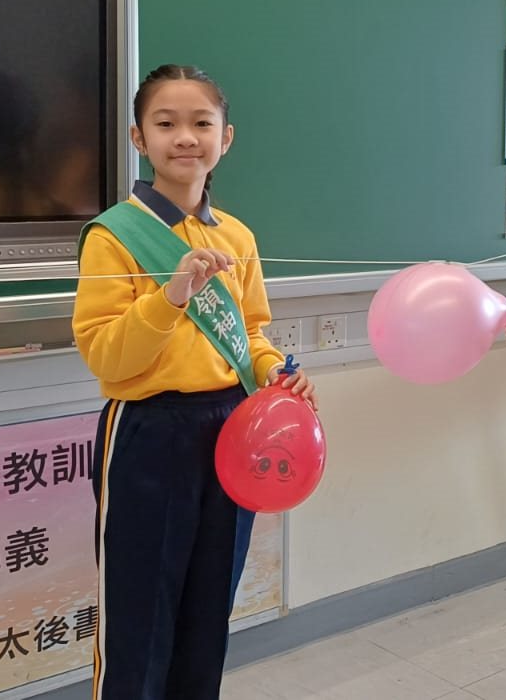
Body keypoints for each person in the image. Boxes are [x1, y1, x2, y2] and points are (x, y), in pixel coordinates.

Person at [73, 64, 317, 700]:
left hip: (234, 430)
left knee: (208, 614)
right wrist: (172, 296)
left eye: (201, 123)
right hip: (150, 431)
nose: (185, 137)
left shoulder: (236, 236)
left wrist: (275, 372)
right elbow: (107, 358)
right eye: (166, 123)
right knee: (139, 617)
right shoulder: (113, 235)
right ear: (139, 138)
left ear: (225, 138)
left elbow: (252, 334)